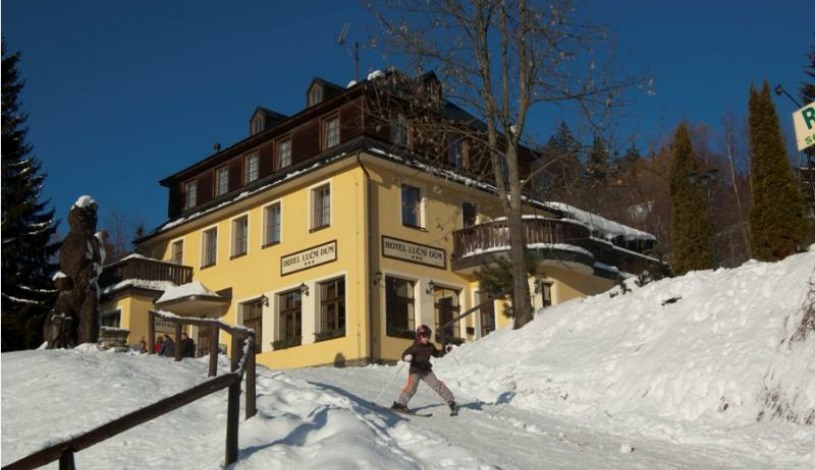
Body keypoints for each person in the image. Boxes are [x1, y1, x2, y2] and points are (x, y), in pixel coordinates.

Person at [391, 324, 457, 415]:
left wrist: (445, 350)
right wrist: (407, 357)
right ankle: (400, 404)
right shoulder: (415, 347)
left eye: (428, 336)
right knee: (411, 387)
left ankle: (451, 401)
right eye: (423, 336)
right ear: (419, 336)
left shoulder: (430, 346)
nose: (426, 338)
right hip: (415, 370)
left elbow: (437, 354)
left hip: (426, 371)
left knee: (437, 385)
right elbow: (405, 353)